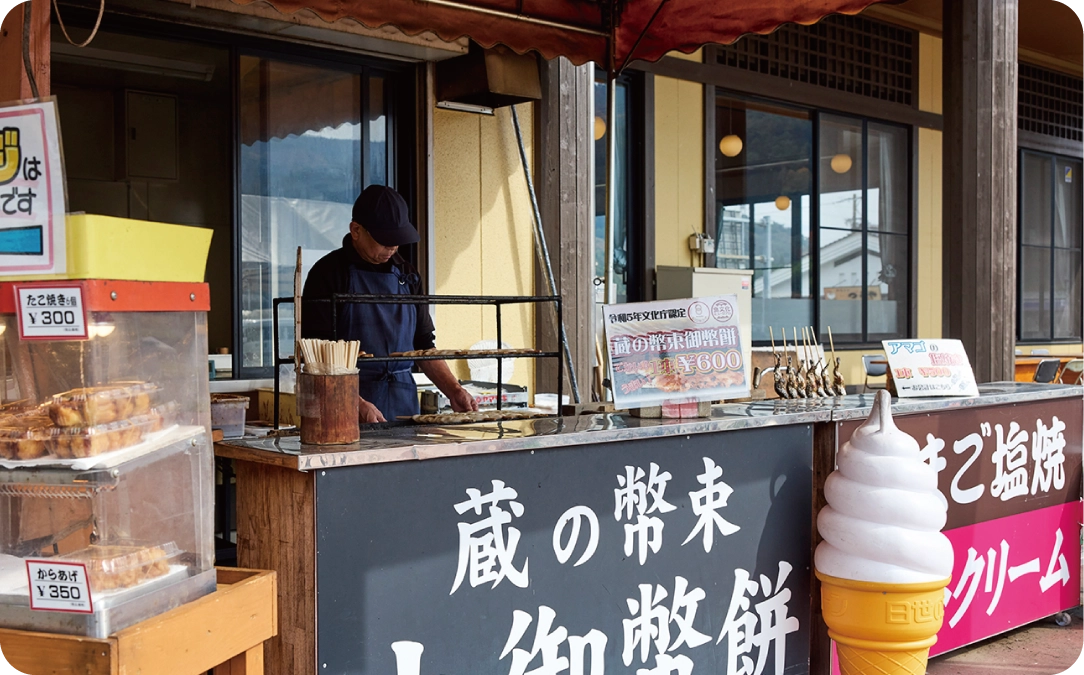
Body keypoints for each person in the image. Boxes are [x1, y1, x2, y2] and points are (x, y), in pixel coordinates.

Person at [301, 185, 477, 423]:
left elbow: (423, 345)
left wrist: (454, 390)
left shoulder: (407, 274)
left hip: (403, 401)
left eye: (397, 240)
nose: (393, 247)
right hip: (344, 405)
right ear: (356, 230)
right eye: (384, 240)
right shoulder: (328, 274)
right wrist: (354, 403)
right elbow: (317, 357)